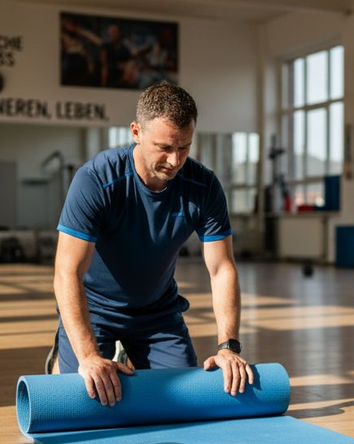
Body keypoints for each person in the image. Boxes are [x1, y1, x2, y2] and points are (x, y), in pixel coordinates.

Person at [54, 81, 251, 406]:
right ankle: (61, 359)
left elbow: (222, 269)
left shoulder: (203, 186)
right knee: (86, 398)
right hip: (96, 310)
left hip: (158, 313)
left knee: (181, 401)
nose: (175, 161)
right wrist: (88, 355)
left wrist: (228, 346)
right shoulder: (96, 180)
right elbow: (67, 272)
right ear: (136, 132)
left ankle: (124, 357)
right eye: (164, 147)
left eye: (184, 148)